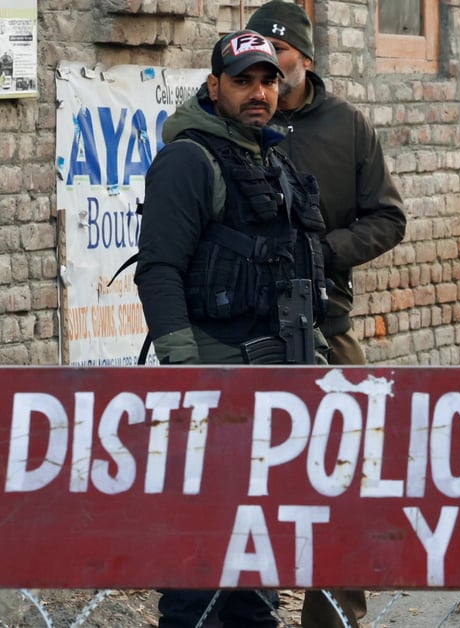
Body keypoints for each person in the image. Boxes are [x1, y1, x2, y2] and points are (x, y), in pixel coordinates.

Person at [135, 29, 329, 627]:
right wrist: (184, 374)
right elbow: (159, 270)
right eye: (242, 80)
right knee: (198, 561)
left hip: (274, 381)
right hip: (214, 383)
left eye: (268, 80)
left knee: (256, 559)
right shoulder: (189, 160)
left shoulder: (270, 158)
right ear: (214, 85)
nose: (258, 93)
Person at [244, 2, 407, 626]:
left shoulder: (348, 126)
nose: (267, 75)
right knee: (243, 478)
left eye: (278, 60)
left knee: (348, 471)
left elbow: (388, 218)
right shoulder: (228, 120)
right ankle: (244, 609)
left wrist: (318, 253)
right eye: (254, 62)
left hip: (322, 323)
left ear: (304, 59)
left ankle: (333, 614)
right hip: (240, 332)